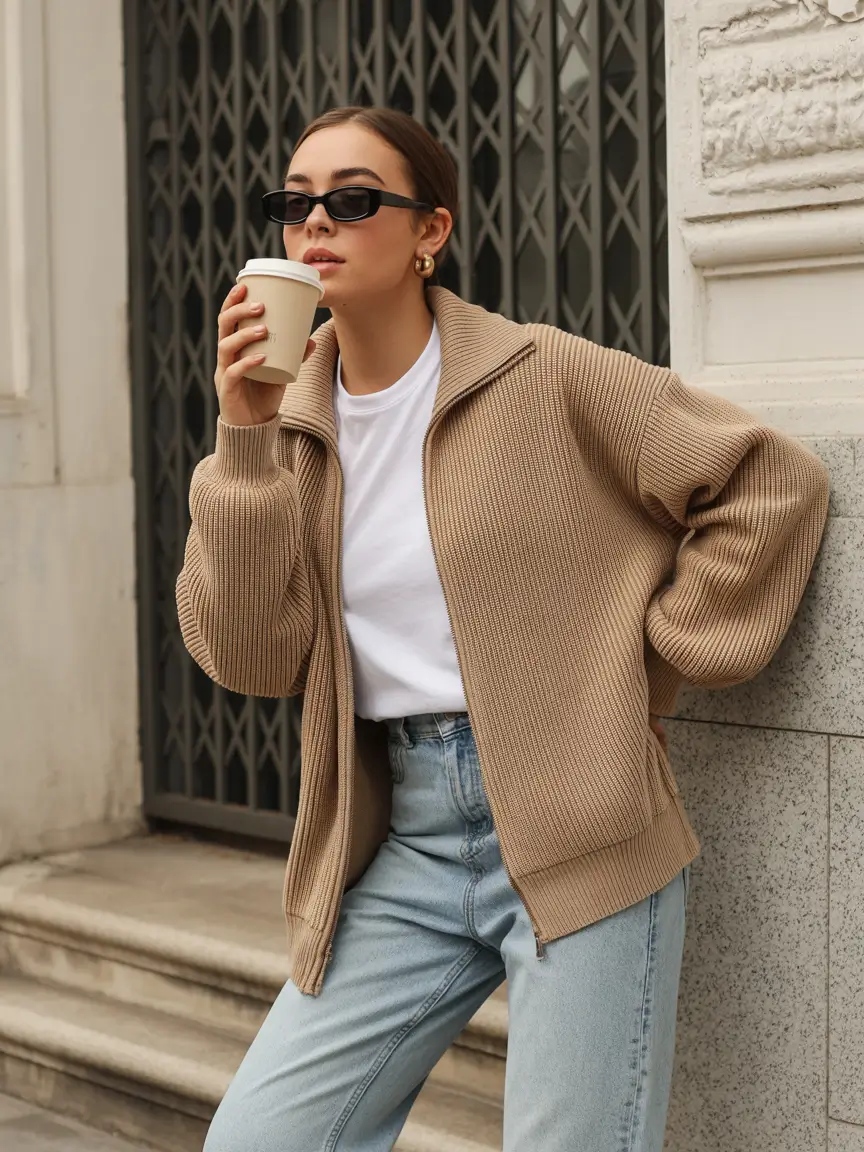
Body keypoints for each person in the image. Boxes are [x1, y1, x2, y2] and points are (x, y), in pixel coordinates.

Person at [178, 106, 828, 1151]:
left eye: (351, 199)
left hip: (584, 827)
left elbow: (768, 482)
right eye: (294, 204)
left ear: (430, 231)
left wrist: (650, 666)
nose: (314, 226)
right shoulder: (289, 427)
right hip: (408, 849)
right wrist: (244, 439)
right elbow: (252, 658)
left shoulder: (544, 372)